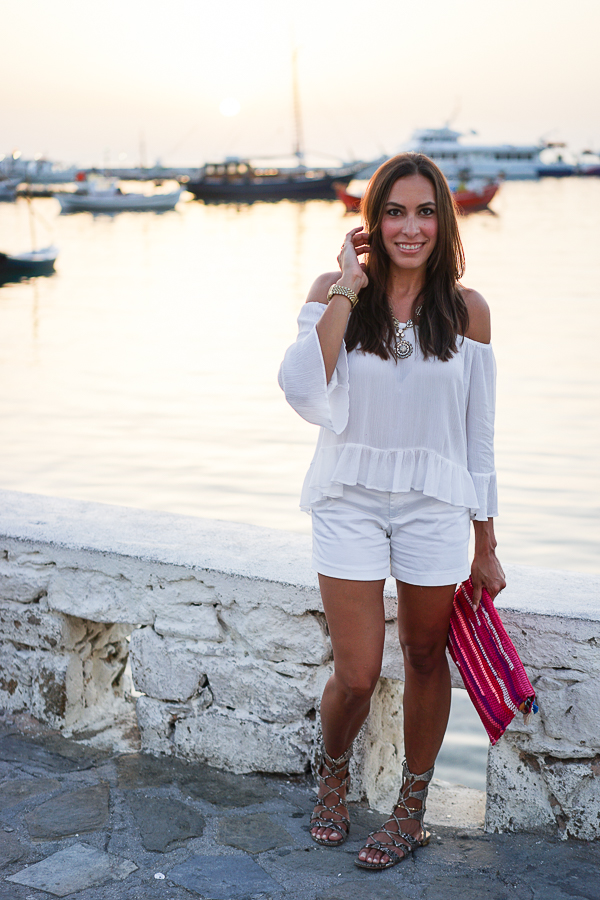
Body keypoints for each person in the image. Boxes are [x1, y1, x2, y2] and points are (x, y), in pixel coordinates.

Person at [278, 153, 505, 871]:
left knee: (426, 655)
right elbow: (301, 387)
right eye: (396, 212)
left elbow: (478, 436)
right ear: (373, 221)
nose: (411, 228)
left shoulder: (467, 311)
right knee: (357, 673)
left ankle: (411, 809)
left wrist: (486, 542)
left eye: (426, 212)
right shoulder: (337, 293)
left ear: (444, 221)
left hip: (434, 506)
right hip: (347, 499)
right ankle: (333, 775)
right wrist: (348, 285)